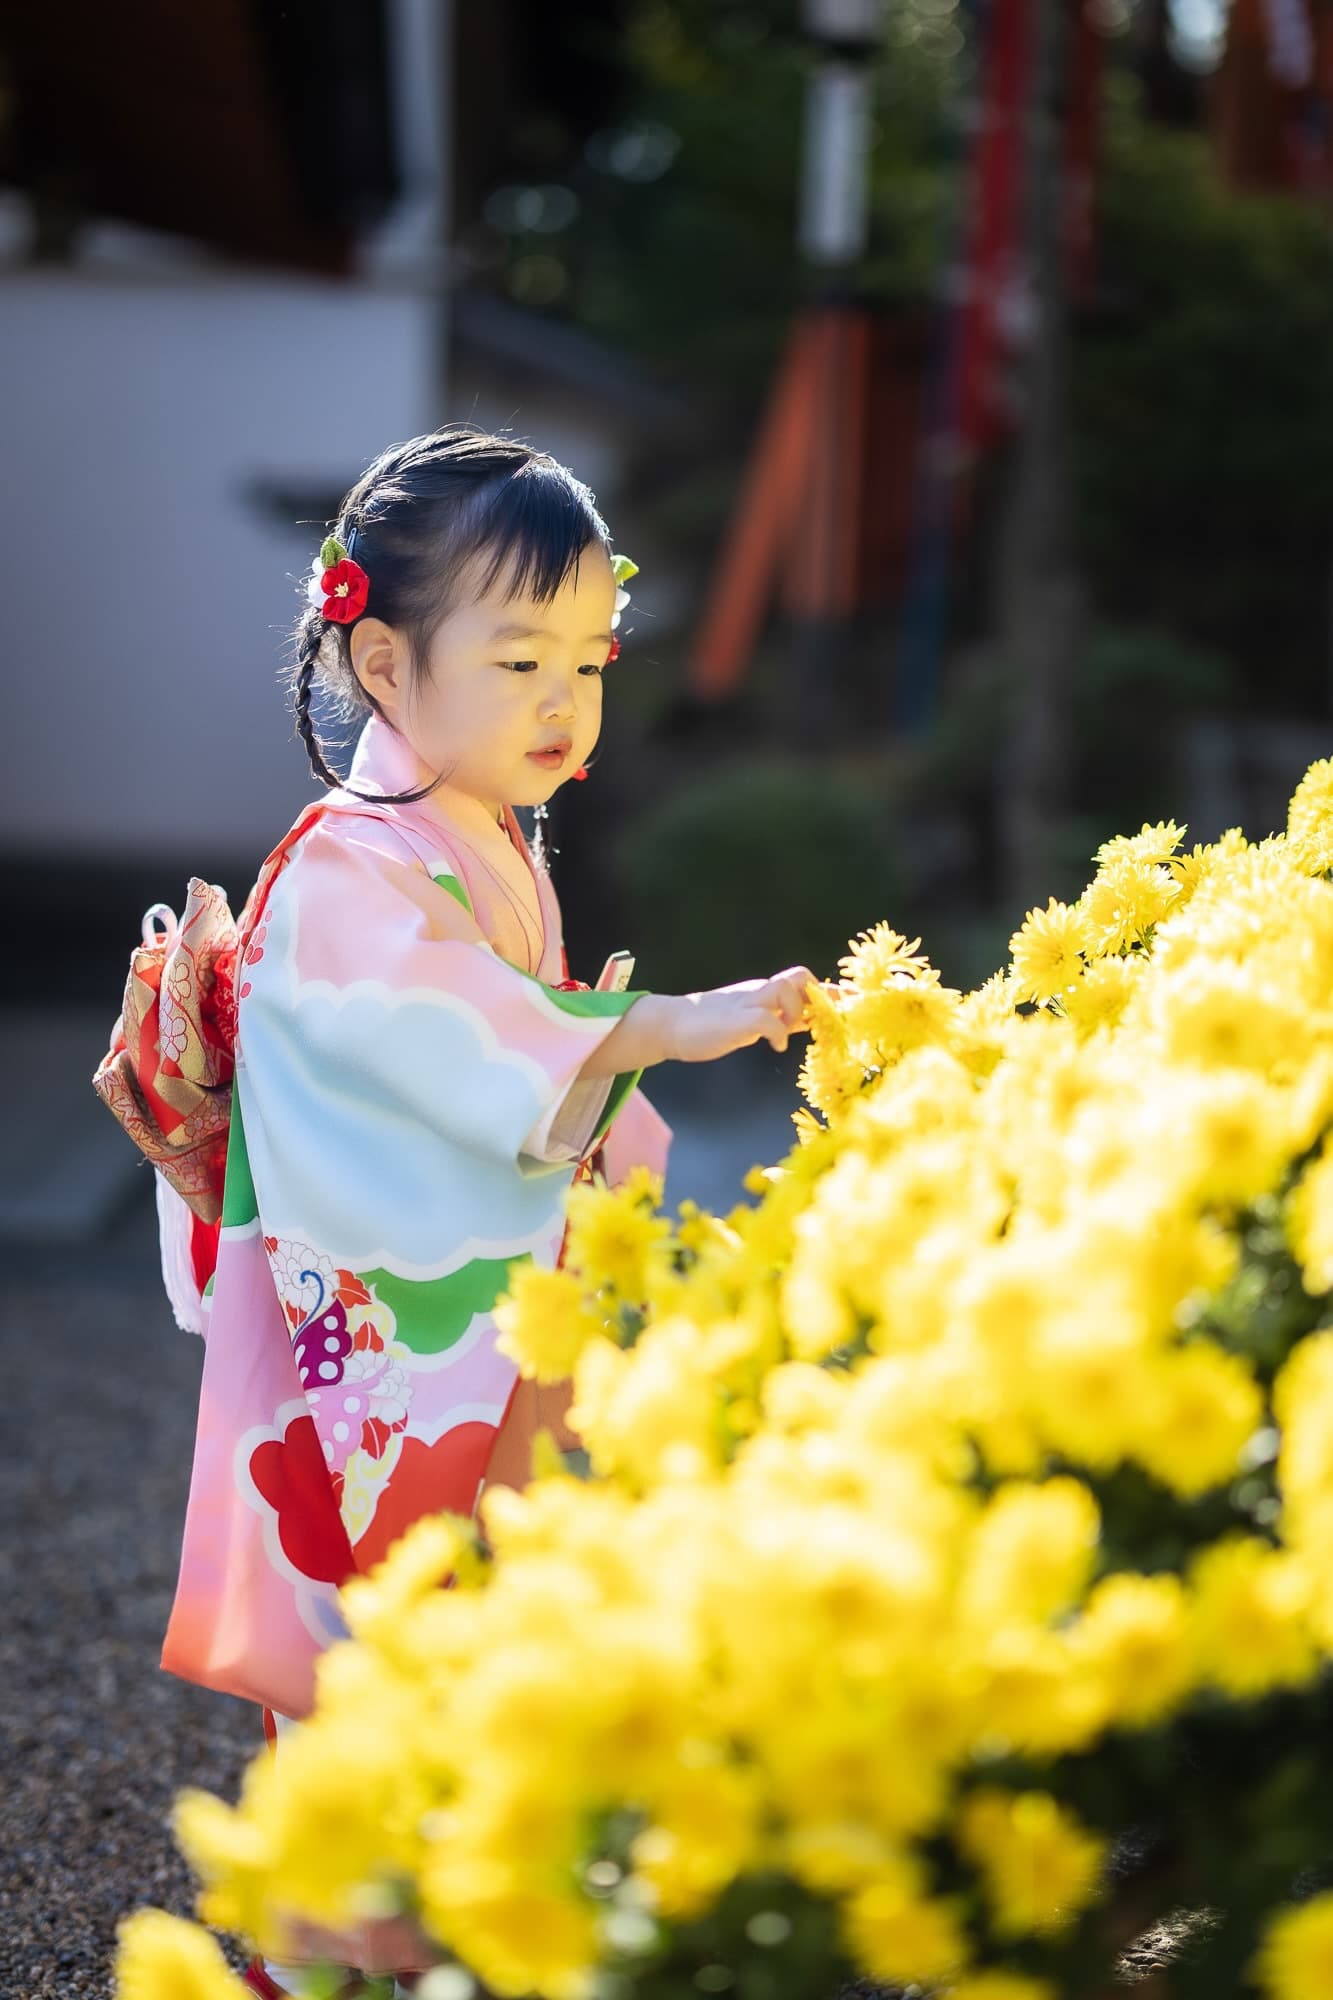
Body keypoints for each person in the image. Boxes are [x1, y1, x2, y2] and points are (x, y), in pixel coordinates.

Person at [141, 425, 813, 1995]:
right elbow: (452, 1043)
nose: (565, 702)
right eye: (518, 659)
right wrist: (656, 1025)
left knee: (475, 1646)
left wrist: (632, 1193)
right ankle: (335, 1954)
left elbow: (512, 1051)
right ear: (382, 660)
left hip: (459, 1334)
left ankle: (443, 1936)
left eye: (588, 658)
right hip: (389, 1364)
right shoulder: (348, 871)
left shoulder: (468, 841)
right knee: (392, 1644)